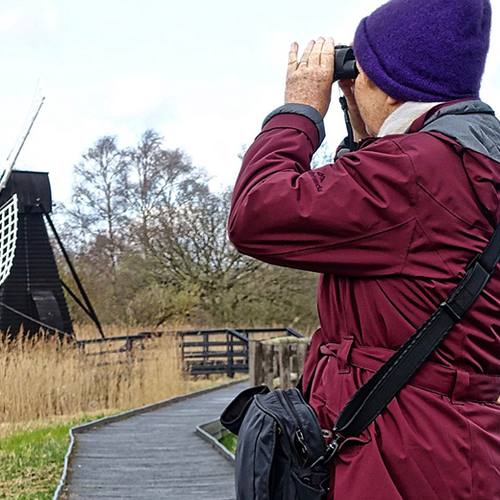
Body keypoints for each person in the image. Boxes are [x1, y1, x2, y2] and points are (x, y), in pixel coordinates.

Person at [228, 0, 500, 499]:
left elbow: (255, 213)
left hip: (395, 457)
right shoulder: (474, 162)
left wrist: (300, 112)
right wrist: (363, 132)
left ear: (386, 82)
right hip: (458, 448)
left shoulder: (413, 171)